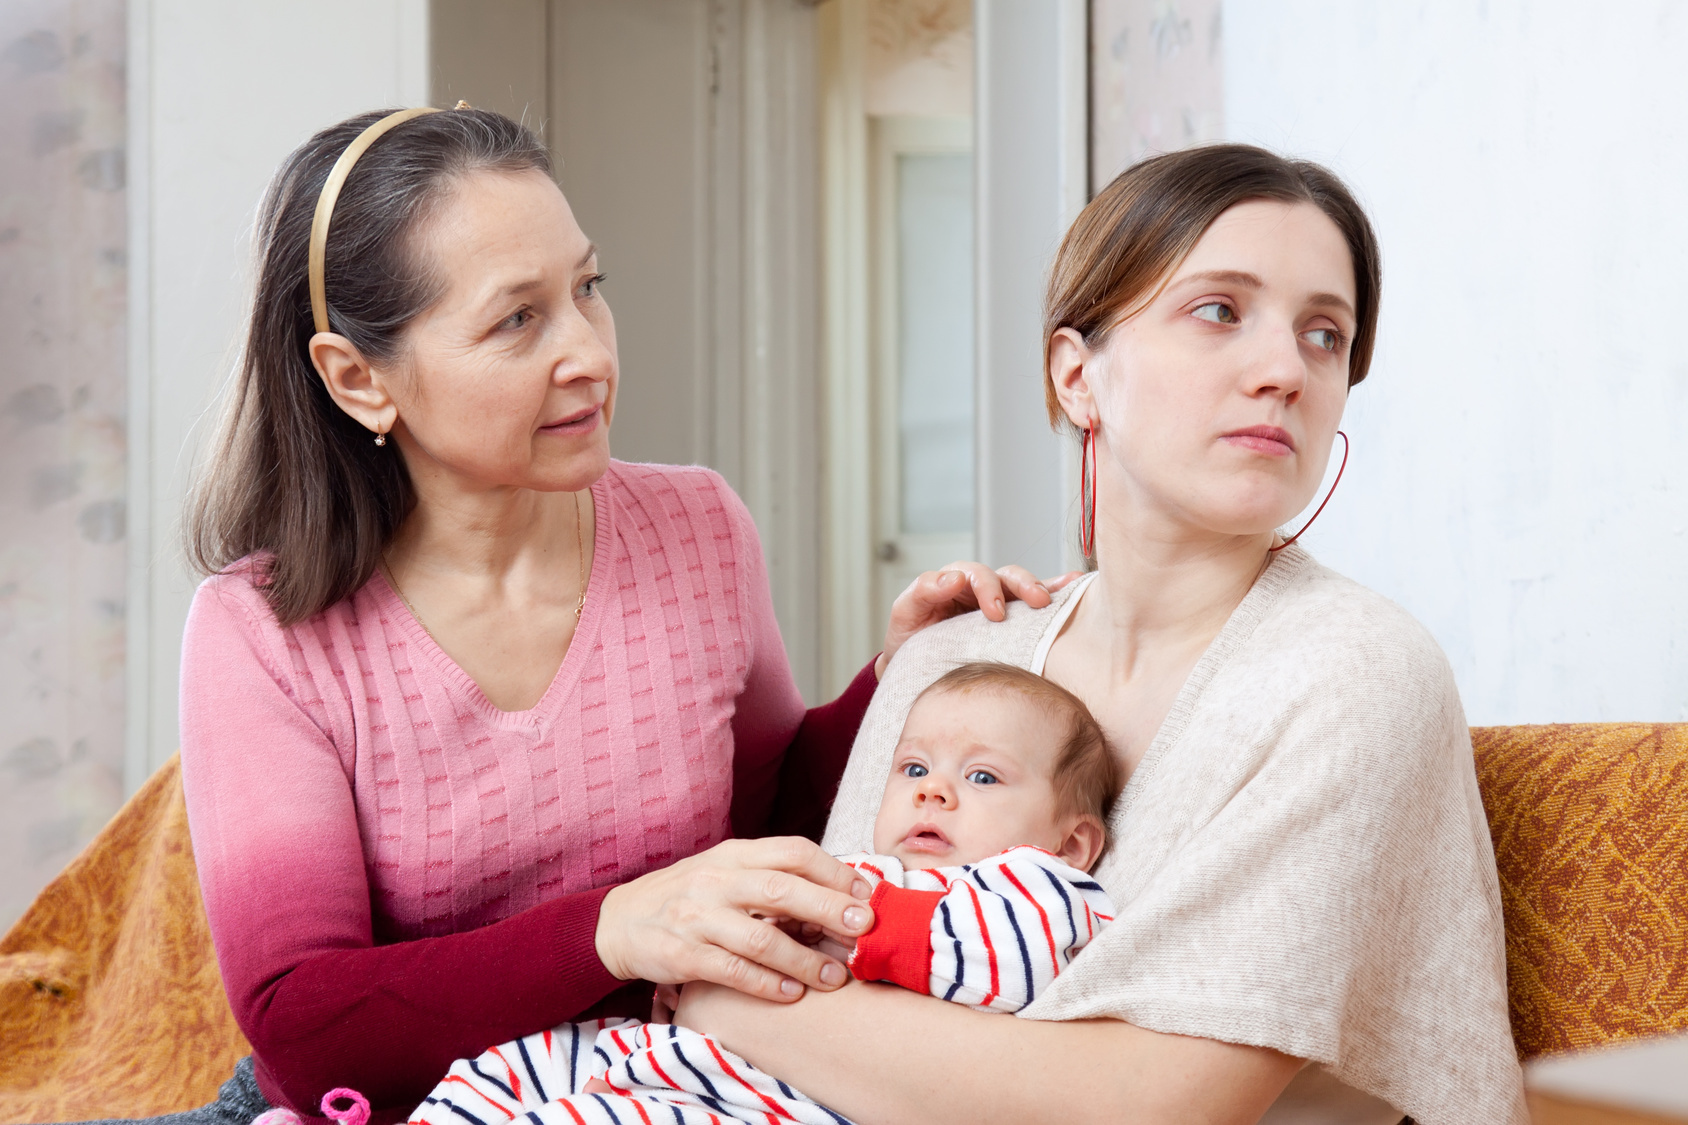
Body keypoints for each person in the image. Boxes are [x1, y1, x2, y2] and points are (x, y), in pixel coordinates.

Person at [142, 107, 1059, 1125]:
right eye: (516, 320)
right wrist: (612, 931)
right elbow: (308, 1032)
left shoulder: (698, 524)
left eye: (586, 289)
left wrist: (892, 686)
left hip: (654, 1091)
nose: (587, 352)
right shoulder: (261, 634)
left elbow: (763, 823)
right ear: (358, 378)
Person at [666, 145, 1530, 1125]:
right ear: (1075, 375)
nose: (1284, 370)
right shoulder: (952, 657)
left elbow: (1154, 1106)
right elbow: (812, 949)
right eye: (1218, 311)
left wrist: (719, 999)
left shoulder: (1354, 674)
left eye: (1324, 334)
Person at [401, 661, 1122, 1125]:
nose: (933, 790)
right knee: (505, 1068)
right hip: (678, 1050)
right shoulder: (857, 862)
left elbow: (1007, 958)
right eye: (912, 768)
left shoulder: (1039, 884)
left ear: (1072, 840)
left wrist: (846, 915)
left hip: (795, 1099)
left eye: (983, 777)